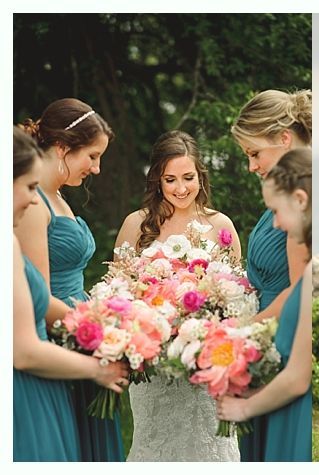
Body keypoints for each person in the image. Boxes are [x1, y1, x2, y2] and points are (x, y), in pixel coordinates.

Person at [114, 130, 241, 461]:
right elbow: (117, 295)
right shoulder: (136, 225)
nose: (181, 188)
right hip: (154, 369)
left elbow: (237, 296)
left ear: (201, 175)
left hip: (205, 366)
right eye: (170, 179)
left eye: (188, 177)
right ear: (157, 178)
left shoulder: (220, 226)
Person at [16, 98, 125, 461]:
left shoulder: (59, 196)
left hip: (81, 334)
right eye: (91, 156)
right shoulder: (33, 208)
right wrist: (96, 329)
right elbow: (39, 297)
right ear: (62, 148)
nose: (96, 168)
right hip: (62, 338)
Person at [230, 89, 312, 460]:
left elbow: (297, 292)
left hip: (283, 342)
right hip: (268, 341)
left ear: (284, 138)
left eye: (254, 153)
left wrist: (235, 334)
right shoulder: (286, 199)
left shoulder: (298, 209)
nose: (251, 166)